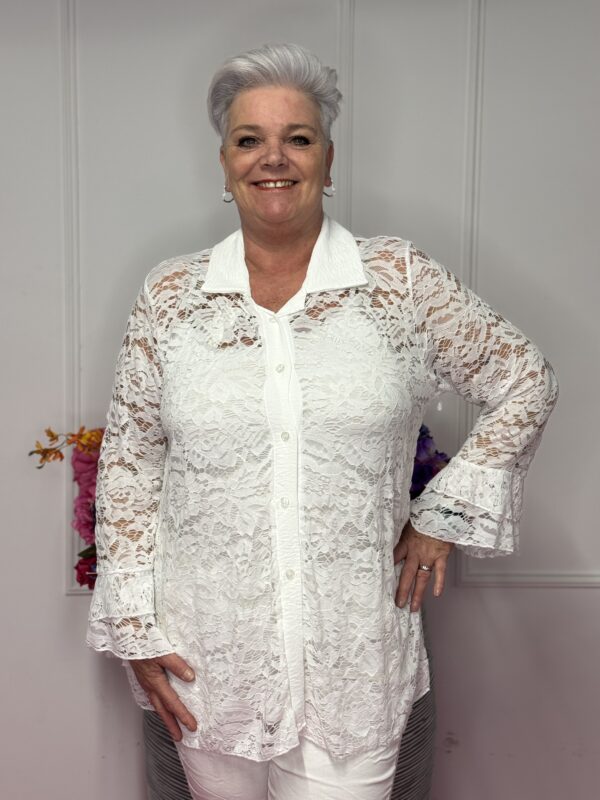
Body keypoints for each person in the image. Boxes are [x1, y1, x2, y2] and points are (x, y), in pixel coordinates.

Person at [87, 43, 558, 800]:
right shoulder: (170, 296)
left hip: (354, 666)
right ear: (224, 163)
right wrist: (136, 630)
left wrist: (441, 516)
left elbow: (525, 378)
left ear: (328, 160)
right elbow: (131, 465)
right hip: (206, 663)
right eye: (250, 139)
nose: (273, 158)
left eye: (298, 138)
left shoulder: (399, 280)